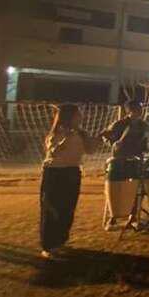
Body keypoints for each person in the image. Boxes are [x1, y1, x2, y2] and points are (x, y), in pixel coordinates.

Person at [39, 104, 100, 259]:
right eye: (77, 115)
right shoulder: (56, 133)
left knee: (68, 208)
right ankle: (48, 246)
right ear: (68, 117)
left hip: (72, 172)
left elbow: (90, 150)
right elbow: (53, 152)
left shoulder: (81, 133)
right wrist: (67, 138)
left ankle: (60, 241)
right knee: (53, 209)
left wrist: (100, 137)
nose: (80, 117)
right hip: (55, 173)